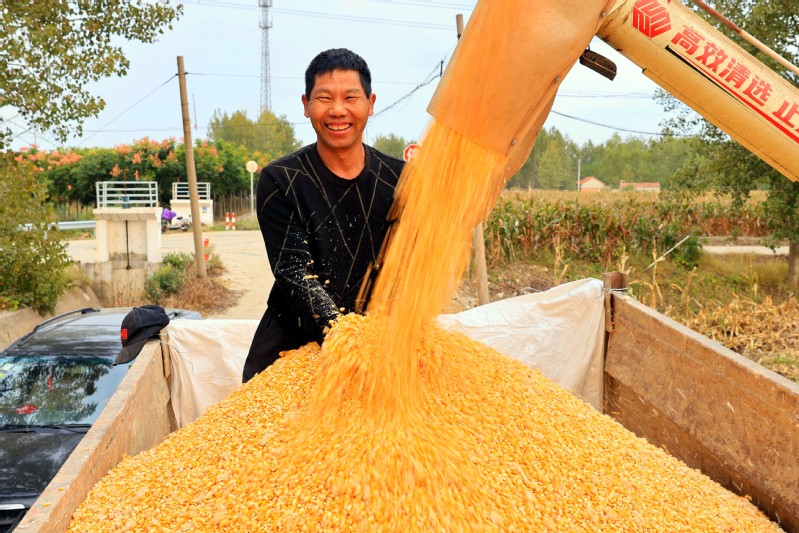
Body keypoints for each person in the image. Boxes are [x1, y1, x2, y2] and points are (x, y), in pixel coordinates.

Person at [242, 48, 405, 382]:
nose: (338, 110)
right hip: (293, 346)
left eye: (351, 97)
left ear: (371, 103)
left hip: (384, 345)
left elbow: (414, 262)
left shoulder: (402, 179)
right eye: (324, 98)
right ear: (306, 105)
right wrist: (345, 340)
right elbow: (293, 272)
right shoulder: (281, 179)